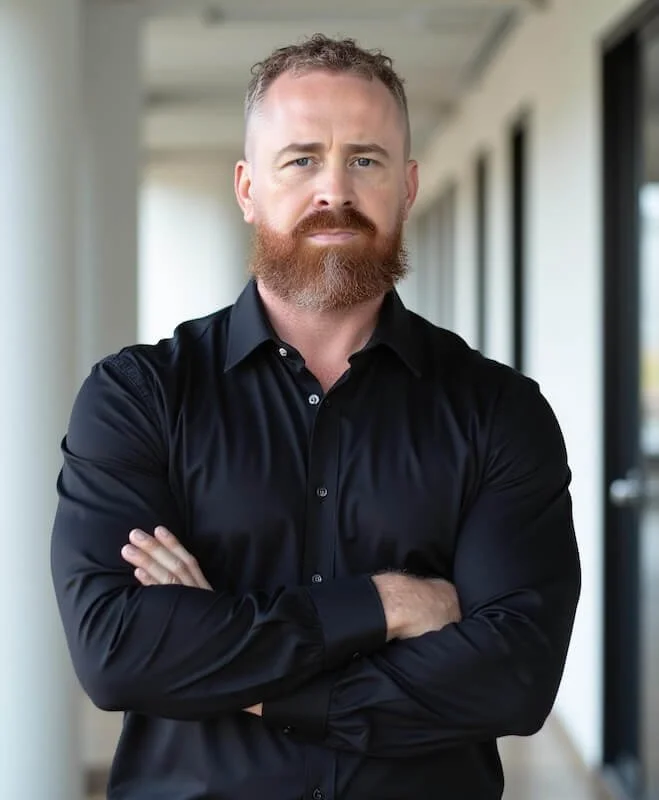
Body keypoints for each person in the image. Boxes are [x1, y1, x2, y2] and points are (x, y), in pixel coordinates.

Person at [51, 34, 580, 800]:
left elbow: (515, 678)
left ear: (406, 185)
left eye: (364, 159)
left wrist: (242, 666)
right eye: (300, 159)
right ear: (246, 188)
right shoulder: (139, 397)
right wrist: (388, 604)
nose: (334, 190)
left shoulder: (497, 411)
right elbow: (118, 653)